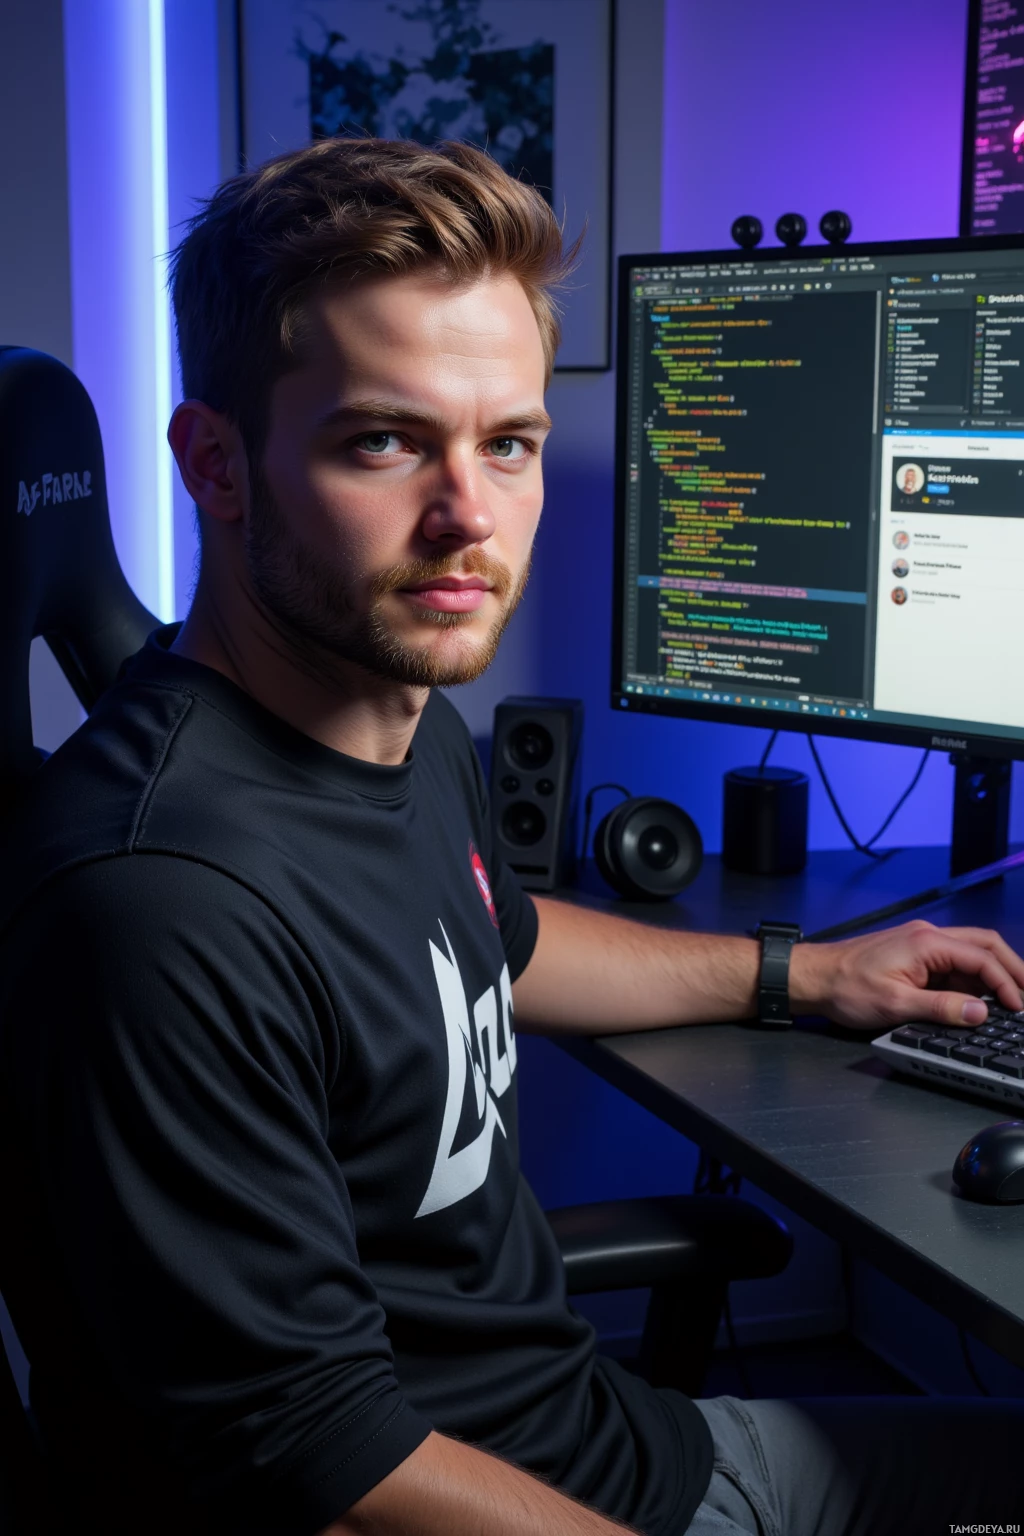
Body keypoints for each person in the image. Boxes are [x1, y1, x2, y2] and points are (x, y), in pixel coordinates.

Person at [1, 138, 1022, 1536]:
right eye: (384, 440)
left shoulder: (400, 721)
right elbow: (327, 1472)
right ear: (216, 465)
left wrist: (801, 976)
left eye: (510, 444)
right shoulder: (163, 899)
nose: (468, 518)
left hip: (608, 1440)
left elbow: (501, 941)